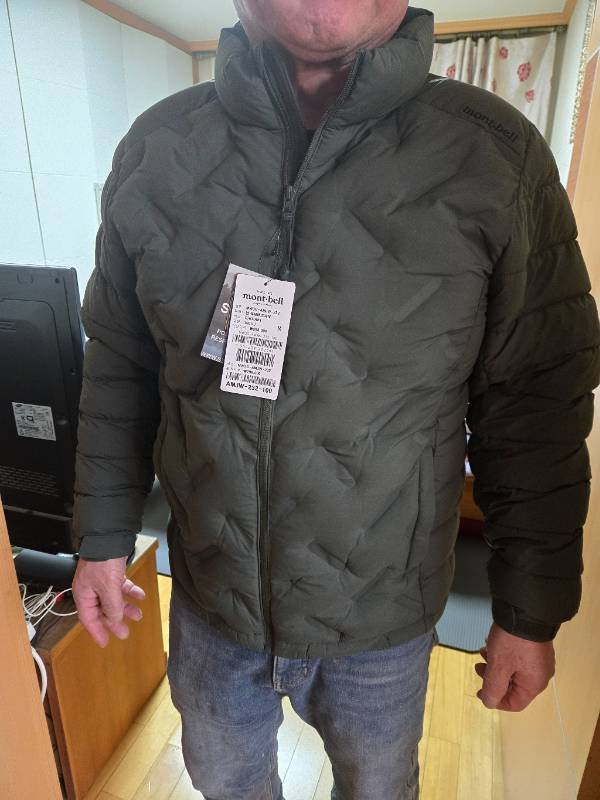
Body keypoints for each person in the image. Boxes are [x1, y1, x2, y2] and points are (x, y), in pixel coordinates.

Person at [71, 1, 600, 798]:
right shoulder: (156, 146)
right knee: (223, 784)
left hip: (382, 622)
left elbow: (535, 403)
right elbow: (118, 361)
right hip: (209, 602)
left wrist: (529, 609)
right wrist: (103, 536)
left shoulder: (495, 154)